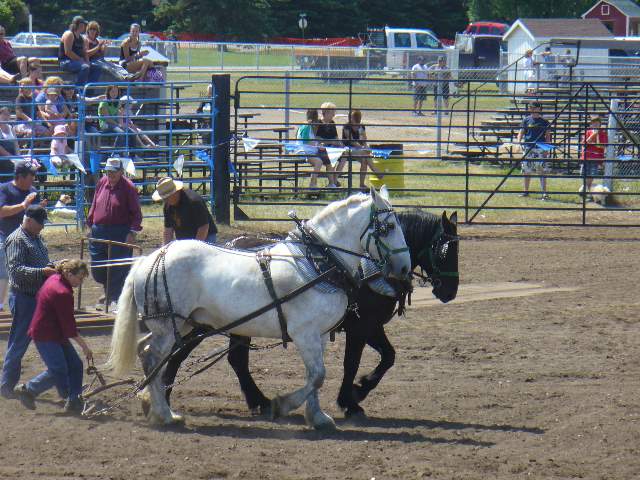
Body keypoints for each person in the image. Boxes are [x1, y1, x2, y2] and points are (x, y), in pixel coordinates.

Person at [14, 259, 92, 414]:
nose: (81, 281)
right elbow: (70, 328)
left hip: (55, 331)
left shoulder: (54, 279)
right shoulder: (62, 292)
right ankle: (28, 389)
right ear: (69, 274)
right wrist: (85, 347)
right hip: (45, 334)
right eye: (80, 277)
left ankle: (73, 398)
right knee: (58, 369)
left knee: (75, 364)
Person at [0, 205, 56, 399]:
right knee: (18, 342)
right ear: (29, 221)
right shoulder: (17, 240)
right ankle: (6, 386)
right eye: (40, 224)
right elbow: (15, 272)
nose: (42, 227)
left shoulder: (35, 237)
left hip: (36, 296)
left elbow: (41, 261)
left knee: (22, 341)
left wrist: (50, 266)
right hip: (24, 298)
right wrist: (43, 272)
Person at [86, 157, 142, 309]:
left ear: (121, 172)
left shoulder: (128, 187)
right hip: (99, 230)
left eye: (114, 172)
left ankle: (115, 299)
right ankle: (110, 292)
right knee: (98, 267)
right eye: (108, 171)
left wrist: (132, 232)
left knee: (118, 267)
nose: (111, 174)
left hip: (119, 231)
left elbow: (136, 212)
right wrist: (90, 223)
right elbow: (95, 203)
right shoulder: (102, 182)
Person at [0, 161, 46, 316]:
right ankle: (1, 304)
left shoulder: (32, 190)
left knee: (31, 267)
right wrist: (23, 205)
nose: (33, 178)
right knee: (5, 269)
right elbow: (1, 211)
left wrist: (40, 209)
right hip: (5, 236)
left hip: (28, 238)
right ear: (20, 177)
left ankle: (29, 300)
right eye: (31, 175)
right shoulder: (5, 189)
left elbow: (36, 214)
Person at [153, 177, 217, 244]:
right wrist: (164, 249)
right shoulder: (168, 206)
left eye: (167, 197)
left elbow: (204, 227)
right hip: (184, 240)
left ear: (176, 192)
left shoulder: (194, 201)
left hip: (205, 237)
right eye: (164, 198)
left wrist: (195, 247)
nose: (165, 200)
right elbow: (168, 230)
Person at [338, 109, 383, 190]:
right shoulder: (346, 126)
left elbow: (364, 140)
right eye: (351, 117)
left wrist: (365, 145)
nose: (352, 119)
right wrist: (362, 148)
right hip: (348, 149)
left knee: (364, 159)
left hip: (359, 150)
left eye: (353, 118)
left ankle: (362, 184)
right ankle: (376, 171)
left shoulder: (361, 126)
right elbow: (351, 141)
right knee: (365, 154)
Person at [516, 101, 552, 199]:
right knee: (527, 170)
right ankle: (526, 191)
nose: (532, 110)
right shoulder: (526, 120)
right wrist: (518, 143)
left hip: (540, 148)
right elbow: (521, 133)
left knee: (541, 171)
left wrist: (546, 149)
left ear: (539, 109)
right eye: (531, 108)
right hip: (528, 147)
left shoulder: (545, 122)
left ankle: (544, 193)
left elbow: (548, 136)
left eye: (534, 108)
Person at [59, 16, 100, 86]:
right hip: (66, 62)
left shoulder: (81, 38)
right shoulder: (69, 34)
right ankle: (78, 90)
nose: (84, 27)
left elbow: (85, 53)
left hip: (77, 62)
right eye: (83, 25)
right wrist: (81, 60)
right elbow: (68, 52)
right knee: (85, 67)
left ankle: (88, 91)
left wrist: (87, 62)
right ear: (79, 25)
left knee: (96, 68)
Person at [296, 108, 332, 189]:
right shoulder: (306, 126)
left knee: (327, 159)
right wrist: (317, 144)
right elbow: (306, 142)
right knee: (319, 162)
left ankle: (332, 183)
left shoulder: (310, 127)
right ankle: (312, 183)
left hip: (311, 151)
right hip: (304, 151)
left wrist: (319, 143)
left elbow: (313, 140)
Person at [581, 115, 608, 196]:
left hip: (595, 158)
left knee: (591, 175)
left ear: (600, 124)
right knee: (583, 174)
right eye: (593, 123)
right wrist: (593, 134)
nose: (595, 125)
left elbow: (601, 146)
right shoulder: (588, 132)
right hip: (586, 156)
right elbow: (585, 143)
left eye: (597, 123)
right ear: (591, 124)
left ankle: (584, 188)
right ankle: (589, 192)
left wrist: (597, 136)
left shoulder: (603, 133)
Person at [315, 102, 340, 187]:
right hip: (322, 149)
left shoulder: (332, 123)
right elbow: (318, 139)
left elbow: (336, 138)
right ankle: (332, 183)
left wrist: (339, 144)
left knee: (345, 155)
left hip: (333, 148)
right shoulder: (319, 123)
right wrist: (330, 142)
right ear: (326, 112)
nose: (333, 114)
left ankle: (335, 180)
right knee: (330, 158)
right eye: (332, 112)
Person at [98, 85, 126, 150]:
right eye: (112, 91)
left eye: (116, 91)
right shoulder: (104, 103)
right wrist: (118, 125)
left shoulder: (118, 102)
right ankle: (115, 153)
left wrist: (121, 124)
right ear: (108, 92)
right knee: (121, 133)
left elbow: (120, 116)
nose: (114, 93)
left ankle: (132, 154)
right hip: (105, 124)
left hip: (114, 123)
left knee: (130, 132)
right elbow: (107, 119)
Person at [0, 107, 18, 171]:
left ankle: (37, 176)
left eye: (8, 115)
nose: (6, 117)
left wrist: (18, 157)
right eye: (4, 114)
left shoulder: (11, 128)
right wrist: (12, 158)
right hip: (3, 159)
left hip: (13, 157)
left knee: (28, 164)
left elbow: (16, 145)